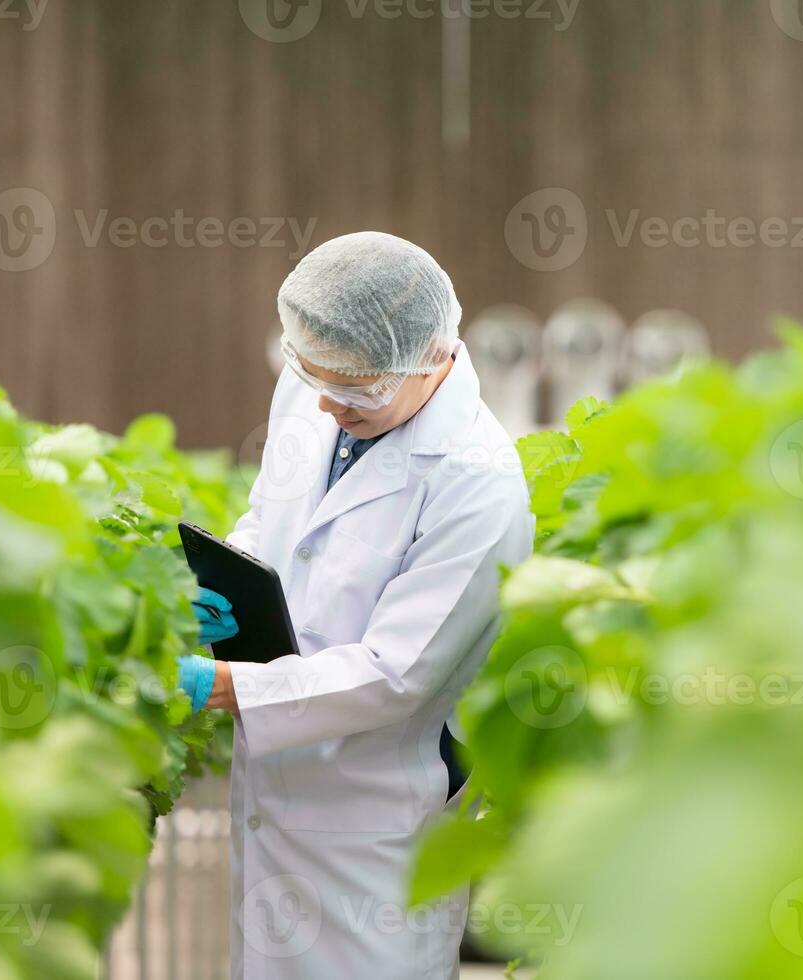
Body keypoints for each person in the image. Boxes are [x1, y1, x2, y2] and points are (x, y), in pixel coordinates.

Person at [175, 232, 534, 979]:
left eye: (359, 389)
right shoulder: (320, 390)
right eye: (318, 380)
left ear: (434, 357)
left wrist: (229, 687)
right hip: (277, 794)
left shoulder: (478, 482)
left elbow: (396, 674)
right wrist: (223, 581)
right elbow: (272, 517)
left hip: (371, 830)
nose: (332, 406)